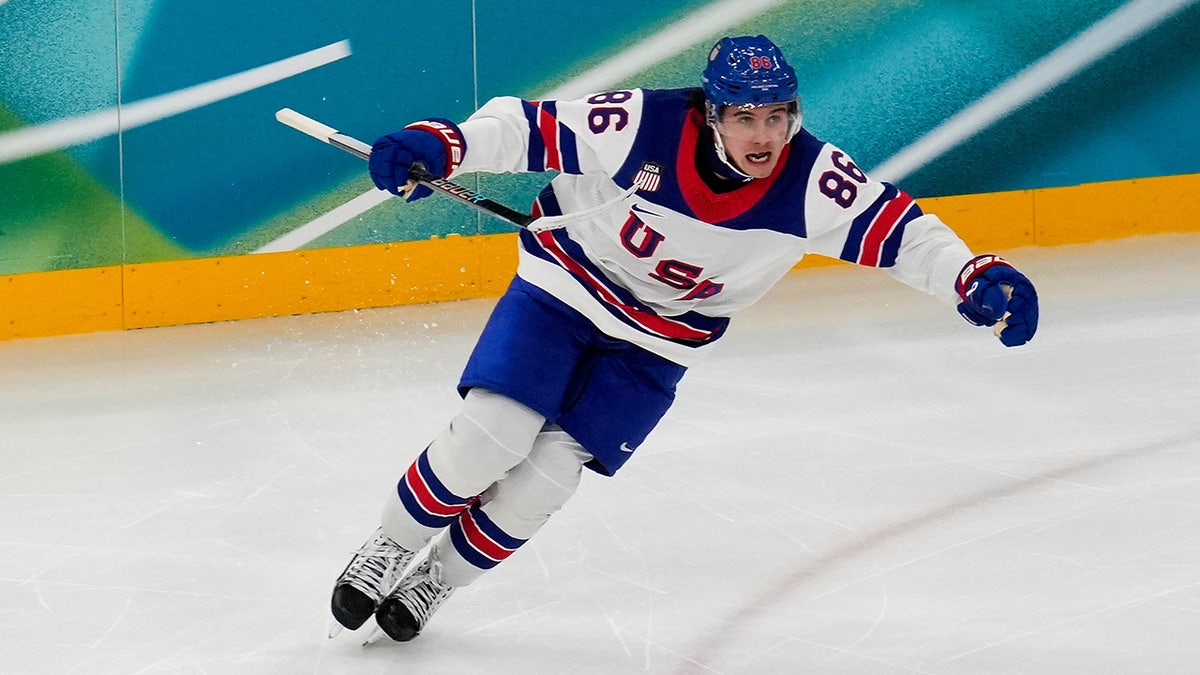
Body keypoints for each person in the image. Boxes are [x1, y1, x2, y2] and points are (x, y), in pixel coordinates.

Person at [328, 34, 1039, 643]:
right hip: (564, 290)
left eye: (777, 116)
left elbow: (901, 230)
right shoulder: (640, 124)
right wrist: (445, 143)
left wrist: (970, 274)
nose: (763, 135)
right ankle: (391, 544)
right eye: (744, 117)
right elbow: (526, 127)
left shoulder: (815, 180)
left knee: (545, 478)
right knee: (492, 432)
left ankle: (437, 580)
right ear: (710, 111)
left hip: (658, 343)